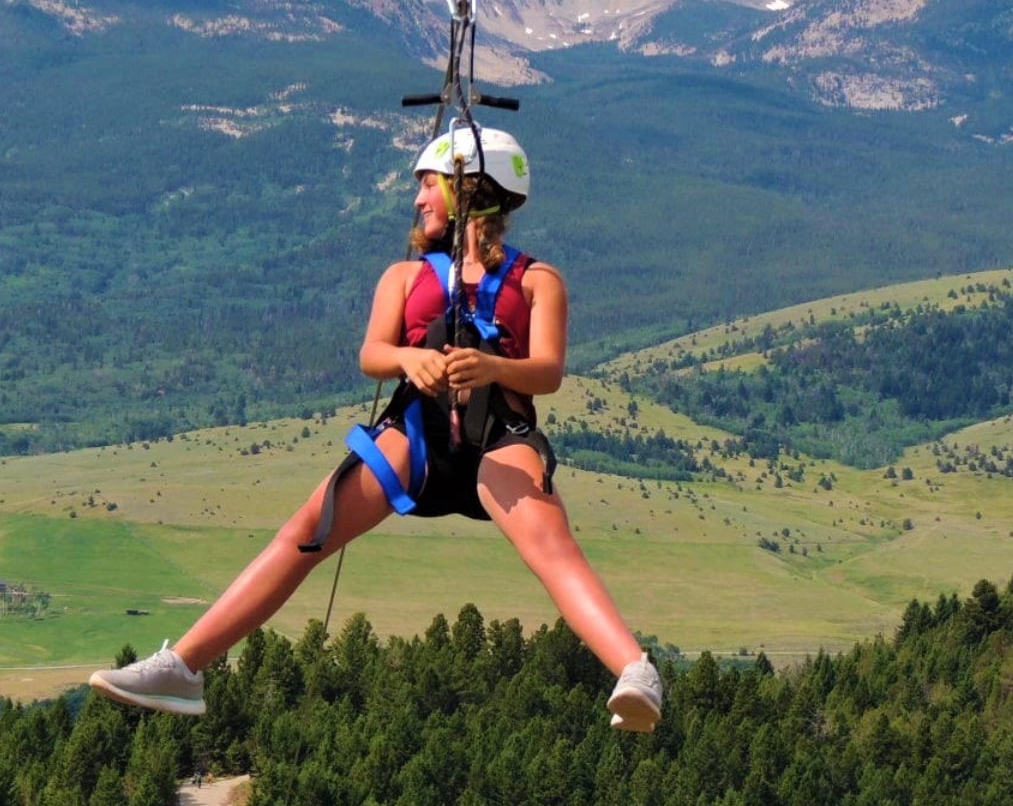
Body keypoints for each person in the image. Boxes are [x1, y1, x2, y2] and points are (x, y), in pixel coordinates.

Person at [89, 126, 663, 731]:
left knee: (551, 546)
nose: (417, 200)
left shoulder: (537, 281)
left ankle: (636, 670)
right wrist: (409, 359)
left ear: (467, 188)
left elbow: (547, 372)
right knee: (306, 531)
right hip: (416, 432)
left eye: (426, 185)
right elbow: (372, 354)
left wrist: (494, 366)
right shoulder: (404, 277)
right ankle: (185, 666)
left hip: (498, 433)